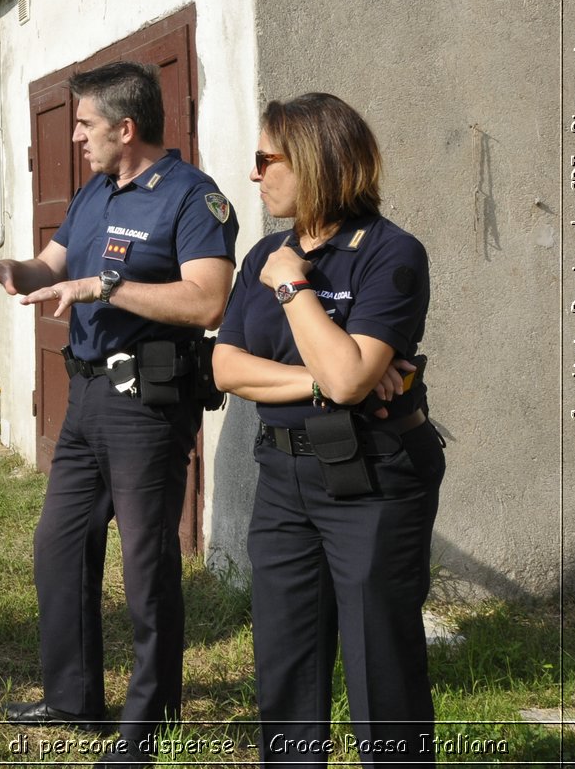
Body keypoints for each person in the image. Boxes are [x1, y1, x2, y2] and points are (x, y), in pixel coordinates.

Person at [0, 61, 237, 767]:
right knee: (59, 542)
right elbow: (51, 266)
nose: (75, 136)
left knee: (145, 563)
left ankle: (149, 720)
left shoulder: (192, 200)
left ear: (126, 128)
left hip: (147, 402)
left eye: (85, 124)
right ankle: (75, 696)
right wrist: (5, 269)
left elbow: (207, 301)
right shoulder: (94, 193)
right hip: (86, 400)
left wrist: (106, 287)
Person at [212, 93, 442, 767]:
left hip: (373, 476)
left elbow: (350, 378)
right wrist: (322, 378)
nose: (254, 174)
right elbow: (227, 366)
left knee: (382, 670)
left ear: (312, 160)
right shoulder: (263, 251)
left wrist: (293, 291)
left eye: (265, 159)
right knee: (284, 663)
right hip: (282, 478)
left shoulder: (390, 254)